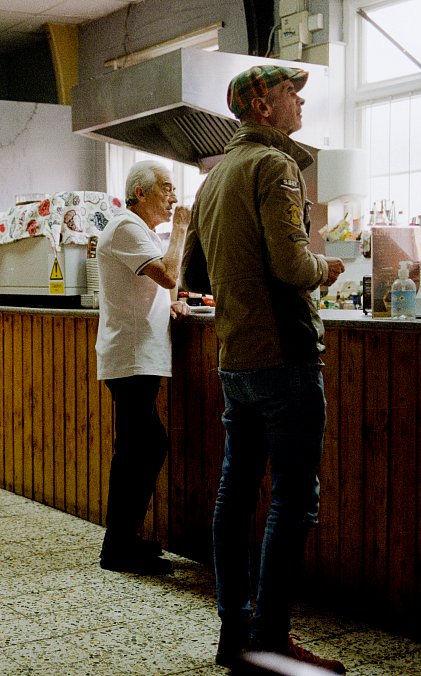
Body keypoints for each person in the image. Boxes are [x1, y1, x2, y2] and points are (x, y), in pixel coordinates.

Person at [181, 65, 346, 672]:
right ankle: (270, 637)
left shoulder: (213, 177)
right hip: (285, 354)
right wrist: (324, 266)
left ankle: (234, 629)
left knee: (236, 491)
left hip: (236, 357)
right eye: (289, 92)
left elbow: (194, 276)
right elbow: (292, 266)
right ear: (262, 105)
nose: (300, 100)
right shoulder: (277, 167)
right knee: (293, 499)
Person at [95, 160, 191, 575]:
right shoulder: (127, 227)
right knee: (142, 447)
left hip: (135, 355)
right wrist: (183, 228)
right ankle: (117, 547)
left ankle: (123, 541)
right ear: (140, 193)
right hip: (131, 356)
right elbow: (169, 273)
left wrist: (170, 303)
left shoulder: (140, 232)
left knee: (139, 447)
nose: (173, 197)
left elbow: (153, 286)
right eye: (166, 189)